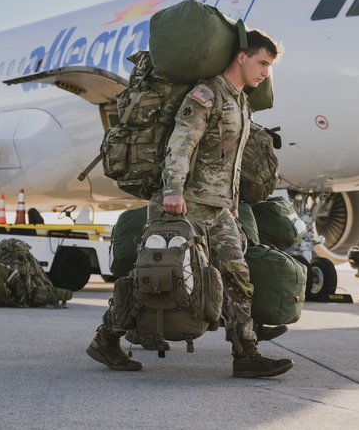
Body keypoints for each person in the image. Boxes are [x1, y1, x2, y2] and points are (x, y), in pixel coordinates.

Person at [87, 29, 293, 378]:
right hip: (184, 202)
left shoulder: (240, 102)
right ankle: (106, 339)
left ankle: (246, 354)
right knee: (151, 278)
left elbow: (232, 162)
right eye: (261, 62)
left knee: (238, 277)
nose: (265, 72)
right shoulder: (206, 94)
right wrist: (173, 190)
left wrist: (231, 204)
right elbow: (181, 143)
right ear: (241, 57)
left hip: (218, 208)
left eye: (269, 66)